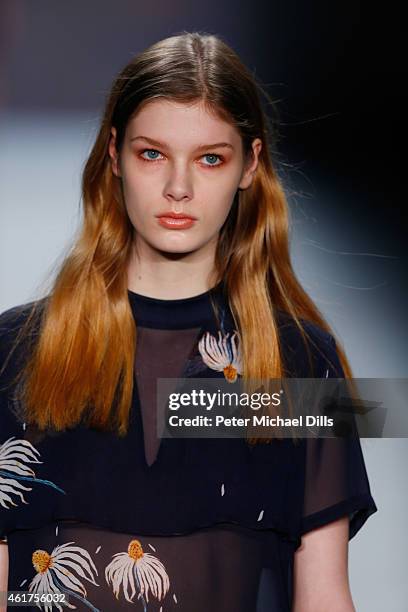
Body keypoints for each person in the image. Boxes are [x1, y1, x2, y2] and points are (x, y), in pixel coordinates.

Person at [0, 31, 377, 611]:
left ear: (250, 166)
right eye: (152, 154)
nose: (178, 188)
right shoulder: (13, 354)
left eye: (210, 158)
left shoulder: (303, 363)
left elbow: (325, 597)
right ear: (114, 155)